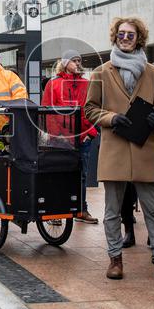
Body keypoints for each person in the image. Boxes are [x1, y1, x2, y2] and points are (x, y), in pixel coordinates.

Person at [84, 17, 154, 285]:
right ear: (115, 37)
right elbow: (90, 109)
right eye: (121, 34)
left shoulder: (152, 72)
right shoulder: (101, 72)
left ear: (139, 38)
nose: (125, 38)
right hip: (115, 149)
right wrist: (111, 118)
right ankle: (115, 258)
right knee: (112, 210)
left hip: (145, 149)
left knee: (153, 209)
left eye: (130, 34)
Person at [42, 50, 100, 224]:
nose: (78, 64)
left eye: (79, 60)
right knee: (59, 174)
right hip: (60, 139)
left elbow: (92, 109)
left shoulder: (86, 83)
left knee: (81, 175)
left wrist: (89, 133)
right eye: (74, 60)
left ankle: (81, 209)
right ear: (65, 63)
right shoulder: (53, 84)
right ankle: (56, 212)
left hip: (83, 139)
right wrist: (58, 135)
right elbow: (48, 111)